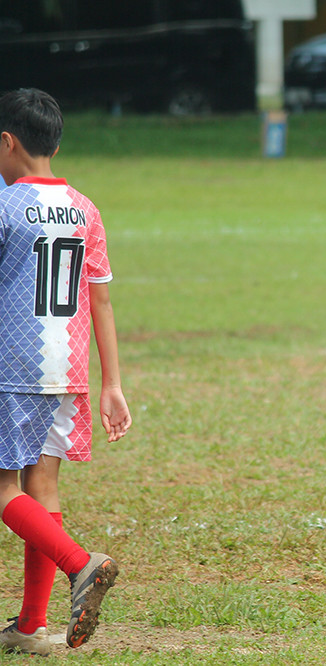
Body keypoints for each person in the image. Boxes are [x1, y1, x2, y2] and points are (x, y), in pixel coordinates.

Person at [0, 88, 130, 656]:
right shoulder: (85, 208)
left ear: (8, 142)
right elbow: (101, 300)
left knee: (4, 489)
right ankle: (31, 627)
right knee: (41, 488)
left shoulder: (5, 207)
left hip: (13, 364)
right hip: (68, 366)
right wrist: (112, 384)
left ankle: (80, 564)